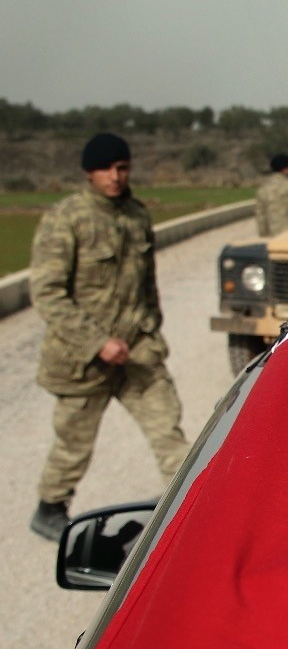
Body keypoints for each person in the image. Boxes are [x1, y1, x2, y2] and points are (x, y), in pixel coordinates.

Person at [28, 133, 190, 541]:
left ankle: (190, 507)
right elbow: (47, 294)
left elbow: (147, 284)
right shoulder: (67, 219)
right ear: (89, 173)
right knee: (73, 443)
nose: (115, 177)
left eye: (122, 168)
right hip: (83, 360)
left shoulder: (137, 216)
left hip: (137, 353)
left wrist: (150, 329)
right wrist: (97, 342)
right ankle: (50, 507)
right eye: (105, 169)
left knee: (168, 430)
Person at [255, 152, 288, 236]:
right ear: (287, 168)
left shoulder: (263, 189)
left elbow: (261, 216)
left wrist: (263, 235)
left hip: (274, 235)